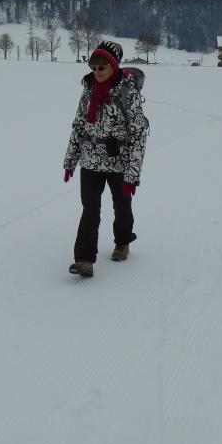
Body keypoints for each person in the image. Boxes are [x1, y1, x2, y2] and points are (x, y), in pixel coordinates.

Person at [63, 41, 148, 277]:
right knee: (90, 209)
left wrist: (132, 175)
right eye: (94, 66)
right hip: (90, 161)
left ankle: (122, 242)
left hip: (119, 162)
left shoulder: (126, 92)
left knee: (121, 206)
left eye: (102, 66)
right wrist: (70, 161)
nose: (97, 71)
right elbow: (79, 125)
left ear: (113, 66)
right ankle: (84, 259)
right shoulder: (89, 89)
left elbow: (139, 134)